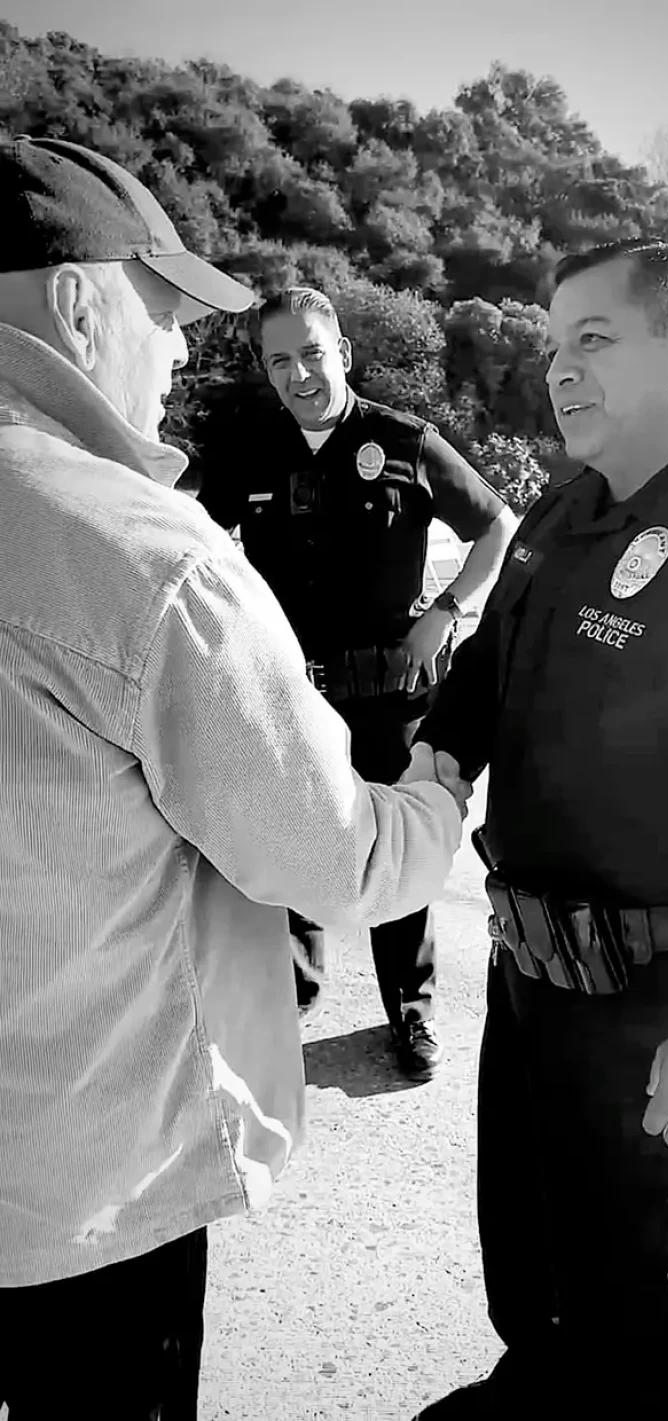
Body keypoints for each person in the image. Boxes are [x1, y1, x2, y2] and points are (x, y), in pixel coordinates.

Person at [0, 135, 467, 1420]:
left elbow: (488, 531)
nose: (185, 353)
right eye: (169, 311)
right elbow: (331, 855)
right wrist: (438, 791)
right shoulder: (143, 554)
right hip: (82, 1195)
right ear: (84, 304)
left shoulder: (396, 440)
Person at [407, 238, 668, 1420]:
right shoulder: (562, 509)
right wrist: (443, 746)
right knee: (533, 1281)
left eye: (592, 340)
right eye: (550, 346)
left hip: (659, 1016)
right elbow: (487, 662)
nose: (557, 371)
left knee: (639, 1322)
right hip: (528, 986)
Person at [199, 287, 517, 1079]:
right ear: (266, 372)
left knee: (392, 855)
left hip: (389, 695)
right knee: (293, 841)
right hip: (290, 695)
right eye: (280, 360)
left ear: (342, 351)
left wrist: (446, 611)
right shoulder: (249, 447)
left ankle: (411, 1013)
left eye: (312, 352)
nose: (299, 373)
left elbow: (496, 525)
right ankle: (293, 994)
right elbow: (196, 539)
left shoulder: (402, 439)